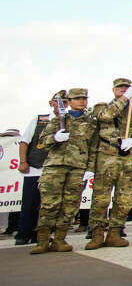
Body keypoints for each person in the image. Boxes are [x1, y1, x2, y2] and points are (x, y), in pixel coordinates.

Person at [31, 88, 97, 255]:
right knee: (49, 204)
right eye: (77, 98)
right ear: (70, 101)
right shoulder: (58, 120)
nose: (82, 101)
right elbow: (43, 142)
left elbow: (93, 148)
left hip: (78, 168)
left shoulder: (91, 123)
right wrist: (55, 137)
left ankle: (60, 239)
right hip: (55, 167)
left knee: (70, 205)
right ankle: (43, 241)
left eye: (84, 98)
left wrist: (90, 169)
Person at [85, 78, 132, 250]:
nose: (123, 90)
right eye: (120, 88)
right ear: (113, 90)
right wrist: (124, 99)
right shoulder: (101, 107)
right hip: (107, 158)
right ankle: (97, 233)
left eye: (126, 88)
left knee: (124, 199)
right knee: (101, 198)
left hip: (129, 158)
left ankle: (115, 232)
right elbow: (107, 116)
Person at [15, 91, 61, 246]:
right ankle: (23, 234)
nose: (61, 104)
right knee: (29, 203)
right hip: (35, 167)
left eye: (65, 101)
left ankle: (40, 235)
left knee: (48, 205)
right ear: (51, 103)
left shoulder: (67, 121)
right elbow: (24, 141)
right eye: (57, 101)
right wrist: (23, 161)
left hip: (55, 169)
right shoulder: (40, 119)